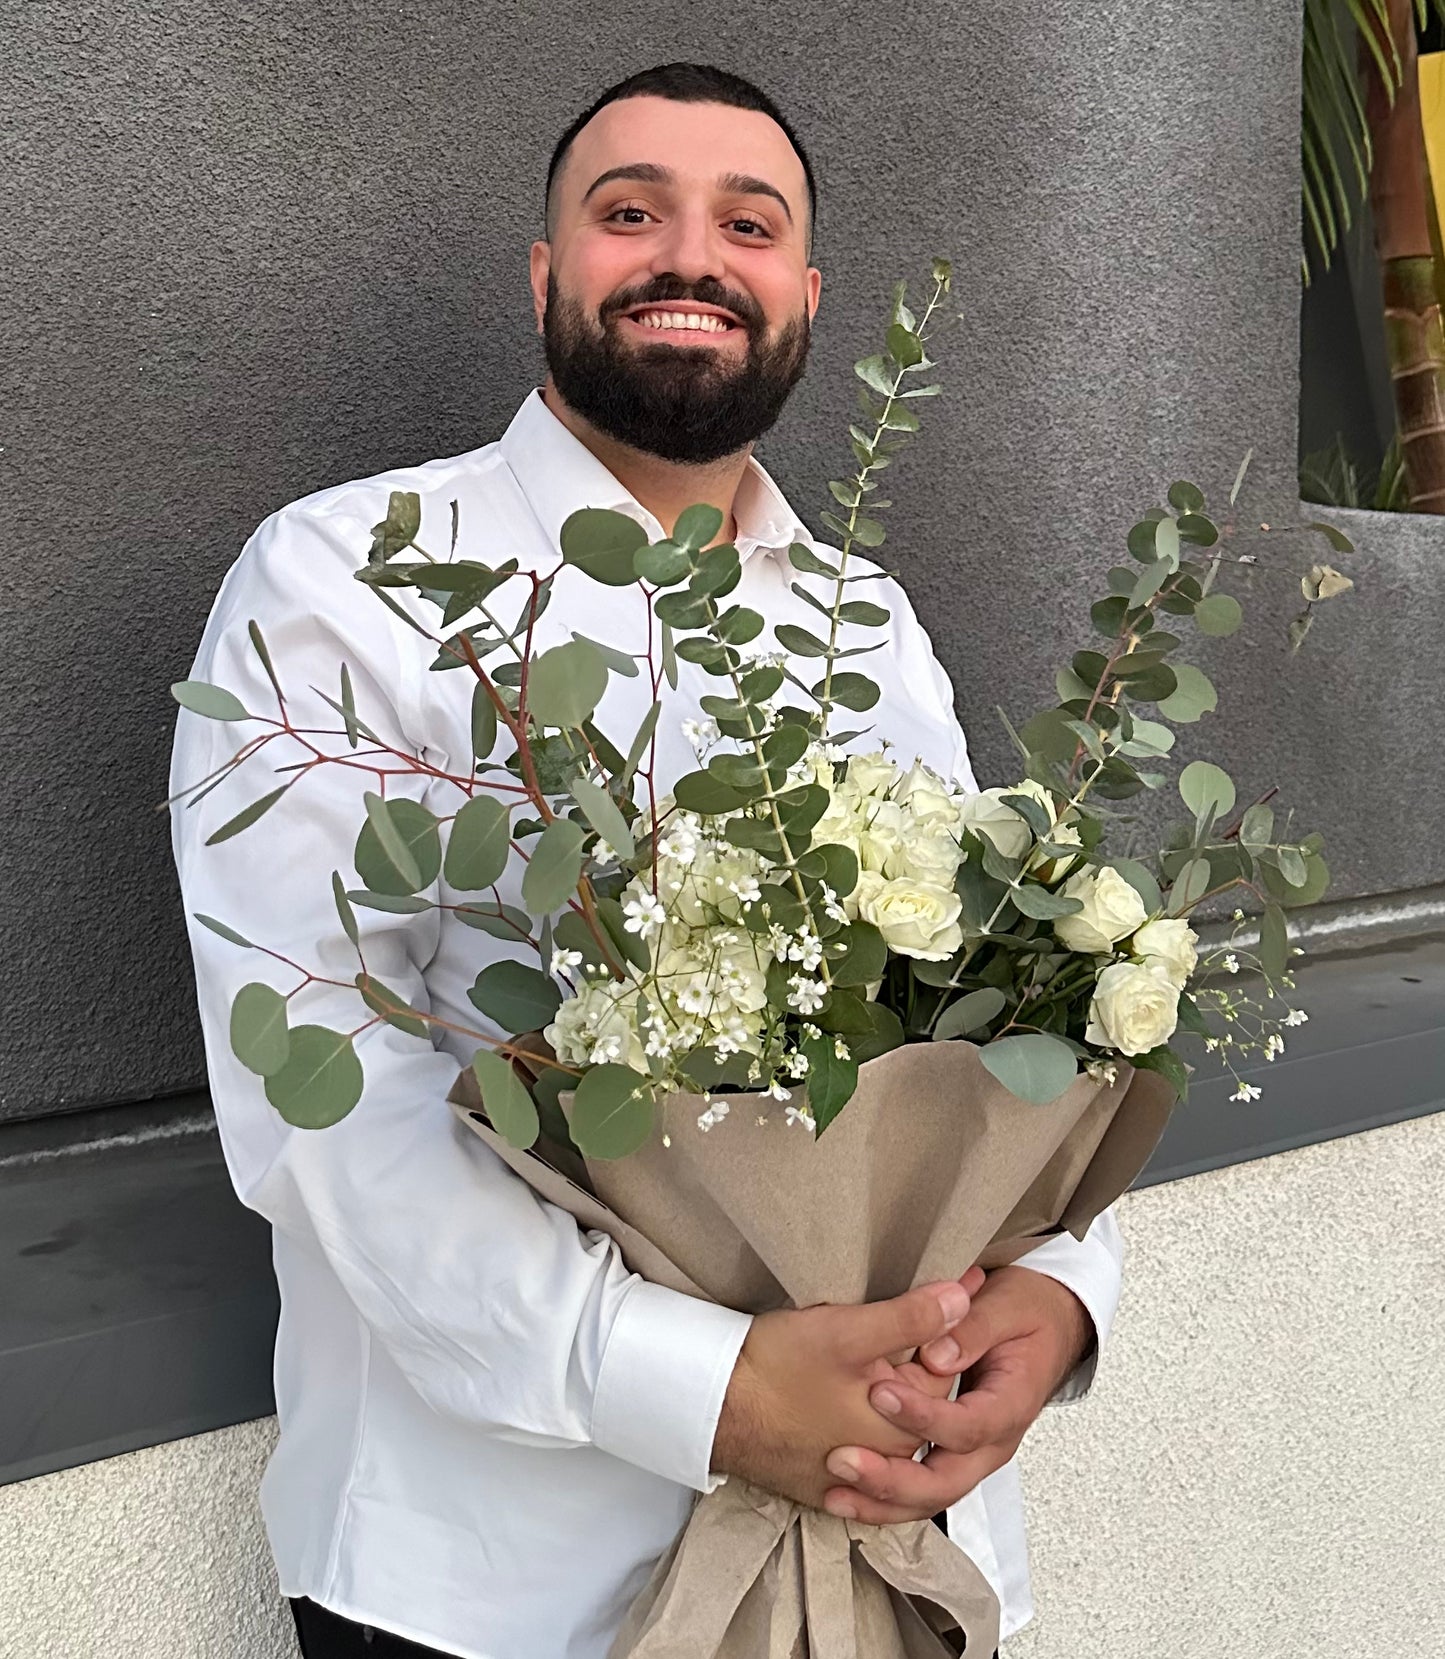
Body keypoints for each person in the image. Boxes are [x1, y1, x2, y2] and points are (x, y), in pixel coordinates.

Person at [169, 63, 1123, 1659]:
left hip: (893, 1540)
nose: (692, 256)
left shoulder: (863, 623)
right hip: (501, 1581)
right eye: (631, 214)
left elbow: (1001, 1019)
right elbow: (327, 1102)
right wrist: (706, 1391)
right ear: (548, 276)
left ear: (803, 298)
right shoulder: (345, 580)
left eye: (746, 225)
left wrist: (1064, 1297)